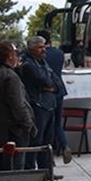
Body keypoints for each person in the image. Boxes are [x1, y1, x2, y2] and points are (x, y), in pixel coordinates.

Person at [0, 41, 36, 171]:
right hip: (12, 132)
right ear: (9, 56)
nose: (17, 57)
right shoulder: (10, 76)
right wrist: (28, 125)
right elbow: (18, 105)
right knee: (14, 172)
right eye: (15, 53)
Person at [18, 36, 61, 171]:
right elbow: (45, 81)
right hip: (37, 106)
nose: (44, 50)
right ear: (32, 49)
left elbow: (57, 83)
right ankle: (31, 171)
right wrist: (49, 86)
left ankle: (47, 170)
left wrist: (51, 87)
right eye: (40, 47)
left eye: (44, 46)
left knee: (47, 141)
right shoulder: (28, 65)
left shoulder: (43, 63)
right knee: (36, 141)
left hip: (49, 106)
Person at [37, 30, 72, 164]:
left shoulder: (40, 56)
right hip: (59, 90)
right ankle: (64, 145)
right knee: (57, 122)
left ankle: (49, 157)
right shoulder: (59, 53)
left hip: (46, 93)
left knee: (47, 127)